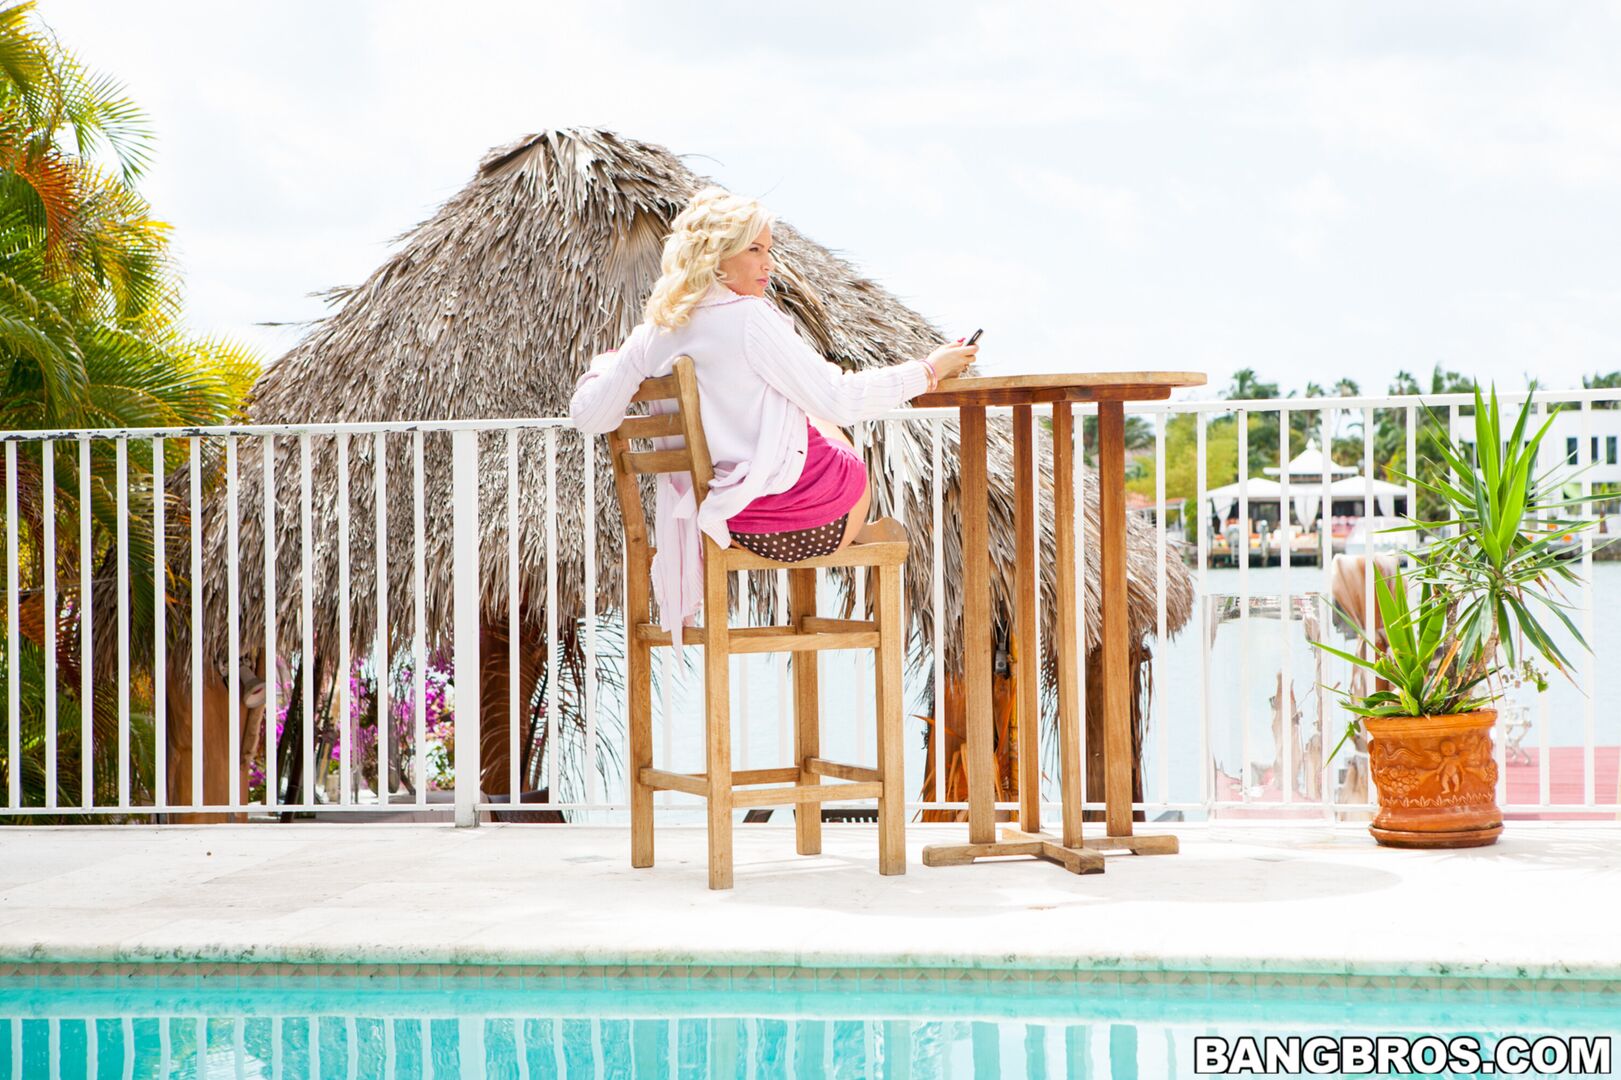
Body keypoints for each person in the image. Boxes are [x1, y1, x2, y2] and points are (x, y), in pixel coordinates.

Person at [570, 186, 978, 640]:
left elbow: (589, 416)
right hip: (815, 522)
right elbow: (840, 399)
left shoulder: (653, 335)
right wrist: (928, 370)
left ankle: (854, 522)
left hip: (734, 525)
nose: (769, 263)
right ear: (716, 255)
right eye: (755, 250)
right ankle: (862, 528)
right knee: (817, 410)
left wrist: (606, 365)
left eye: (768, 250)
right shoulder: (749, 317)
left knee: (799, 405)